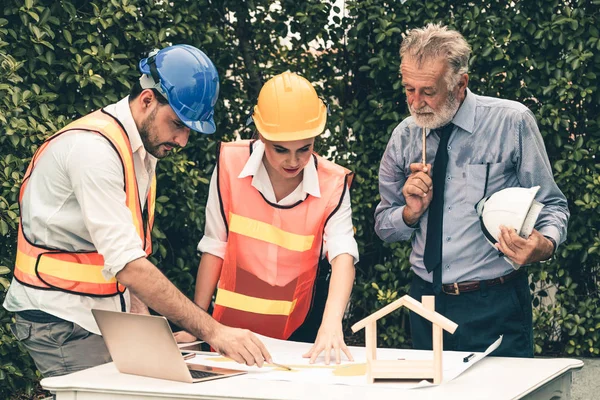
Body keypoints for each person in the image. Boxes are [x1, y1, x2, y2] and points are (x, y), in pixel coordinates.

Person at [4, 44, 272, 378]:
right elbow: (130, 266)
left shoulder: (140, 151)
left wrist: (146, 330)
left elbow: (120, 258)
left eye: (189, 129)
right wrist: (214, 331)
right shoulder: (94, 152)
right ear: (147, 99)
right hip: (59, 320)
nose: (183, 140)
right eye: (177, 124)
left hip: (97, 316)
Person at [374, 24, 569, 357]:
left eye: (428, 91)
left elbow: (552, 204)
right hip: (425, 301)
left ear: (460, 83)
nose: (415, 102)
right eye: (408, 88)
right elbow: (383, 226)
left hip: (494, 302)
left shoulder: (512, 122)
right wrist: (409, 213)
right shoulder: (405, 136)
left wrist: (545, 244)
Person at [174, 71, 359, 365]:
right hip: (228, 333)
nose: (294, 161)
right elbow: (214, 246)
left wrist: (332, 324)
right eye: (281, 149)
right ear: (261, 135)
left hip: (296, 333)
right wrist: (196, 324)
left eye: (305, 149)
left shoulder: (332, 183)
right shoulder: (230, 164)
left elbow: (343, 255)